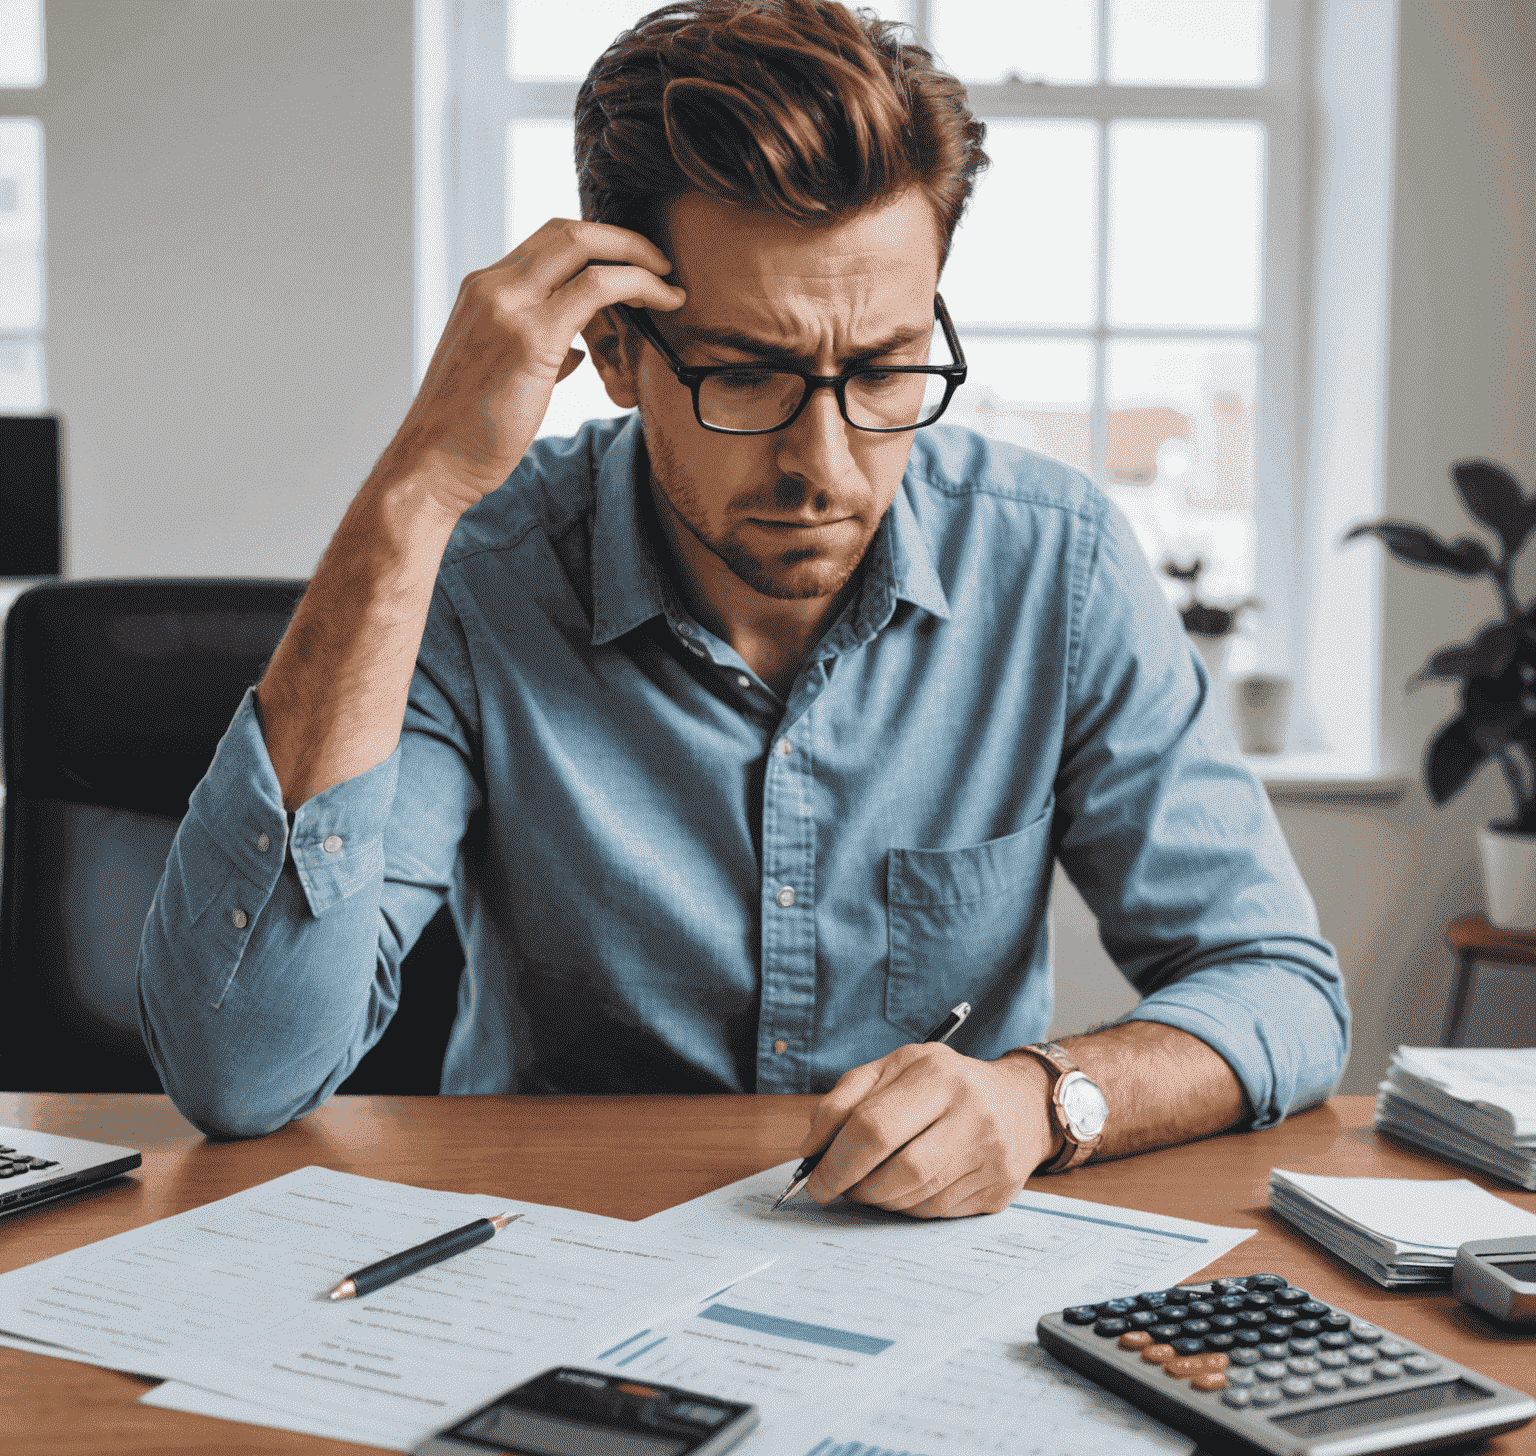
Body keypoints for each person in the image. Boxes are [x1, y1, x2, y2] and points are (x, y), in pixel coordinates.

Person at [138, 0, 1347, 1217]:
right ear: (617, 350)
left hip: (927, 1272)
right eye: (750, 374)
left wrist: (1044, 1098)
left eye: (881, 371)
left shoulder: (1059, 564)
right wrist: (416, 491)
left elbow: (1279, 985)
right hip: (545, 1258)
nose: (824, 462)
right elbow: (242, 1074)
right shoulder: (481, 575)